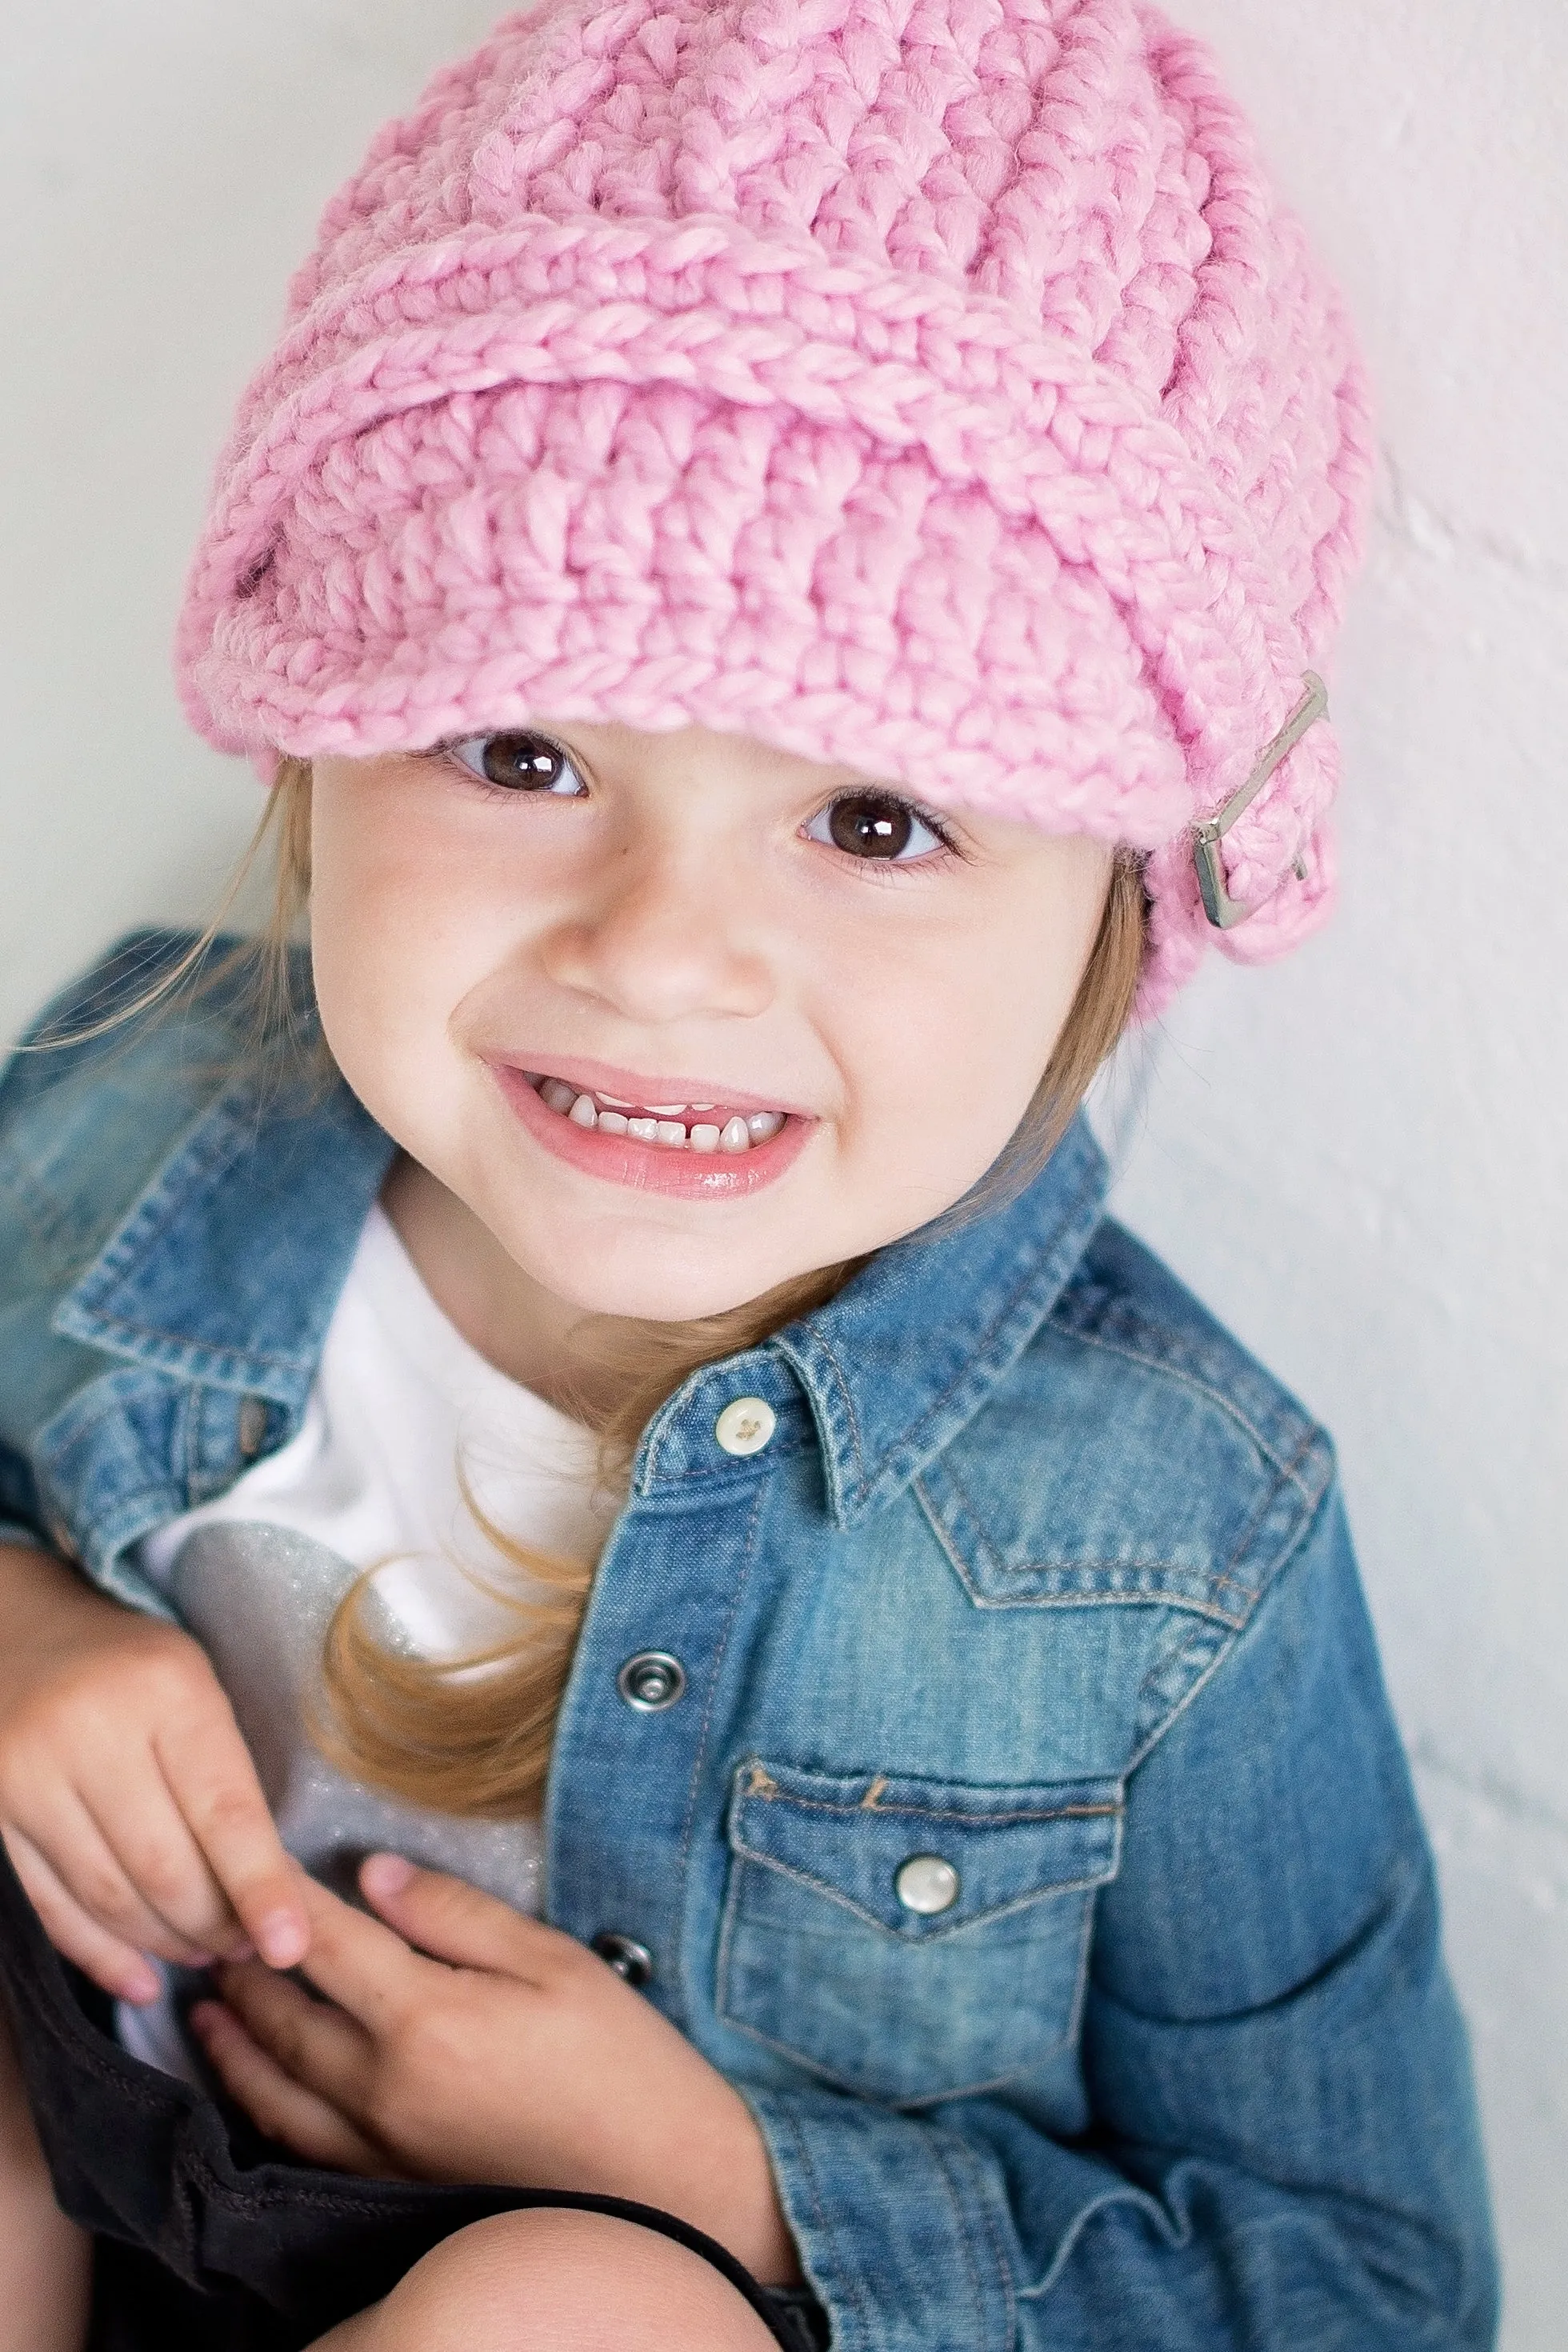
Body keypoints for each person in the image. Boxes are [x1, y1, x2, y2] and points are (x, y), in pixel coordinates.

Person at [0, 1, 1499, 2346]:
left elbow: (1366, 2288)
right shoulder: (128, 1112)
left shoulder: (1171, 1535)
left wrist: (714, 2176)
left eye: (877, 819)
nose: (662, 955)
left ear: (1126, 900)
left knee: (565, 2307)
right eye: (519, 748)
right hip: (110, 2183)